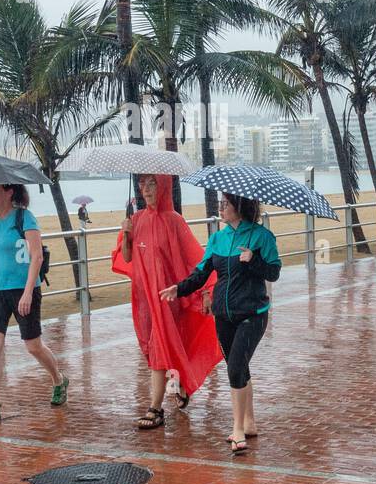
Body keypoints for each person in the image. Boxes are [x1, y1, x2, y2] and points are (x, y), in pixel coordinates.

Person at [159, 192, 281, 456]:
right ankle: (249, 421)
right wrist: (178, 289)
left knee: (236, 365)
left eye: (225, 204)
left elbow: (274, 272)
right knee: (238, 366)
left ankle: (237, 429)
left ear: (239, 206)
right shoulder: (218, 238)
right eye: (221, 204)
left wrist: (254, 260)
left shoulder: (262, 237)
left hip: (253, 312)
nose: (221, 208)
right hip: (223, 315)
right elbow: (201, 274)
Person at [112, 175, 222, 431]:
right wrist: (126, 234)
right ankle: (181, 382)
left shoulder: (174, 220)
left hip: (168, 297)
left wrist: (205, 291)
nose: (146, 189)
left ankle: (155, 408)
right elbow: (127, 257)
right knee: (153, 349)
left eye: (152, 184)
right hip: (143, 299)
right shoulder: (136, 219)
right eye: (142, 184)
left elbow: (198, 259)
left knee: (160, 348)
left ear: (162, 187)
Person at [0, 183, 67, 425]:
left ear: (9, 192)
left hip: (23, 290)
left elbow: (37, 256)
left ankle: (58, 379)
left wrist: (27, 293)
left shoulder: (24, 217)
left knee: (33, 346)